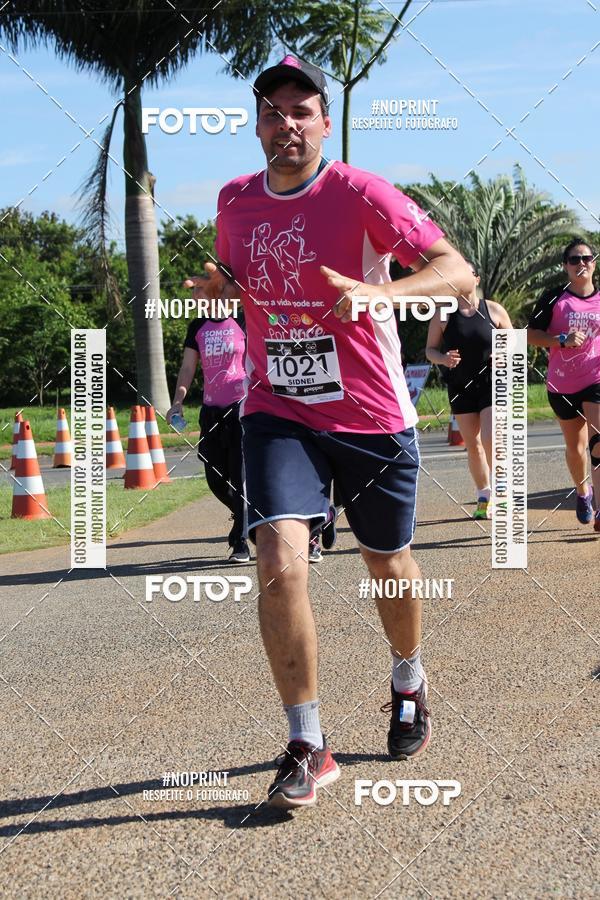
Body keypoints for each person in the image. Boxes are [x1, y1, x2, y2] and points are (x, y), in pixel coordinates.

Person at [187, 55, 474, 809]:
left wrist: (384, 293)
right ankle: (308, 743)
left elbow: (457, 273)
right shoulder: (234, 201)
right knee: (278, 559)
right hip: (277, 408)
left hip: (370, 413)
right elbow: (237, 280)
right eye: (272, 112)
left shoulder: (362, 193)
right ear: (257, 125)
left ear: (324, 123)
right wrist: (222, 290)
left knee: (388, 563)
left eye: (301, 111)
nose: (286, 124)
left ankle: (408, 678)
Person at [425, 261, 512, 519]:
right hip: (460, 386)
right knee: (473, 445)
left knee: (490, 438)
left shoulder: (494, 310)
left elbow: (514, 343)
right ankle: (484, 496)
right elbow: (430, 350)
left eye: (467, 274)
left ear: (476, 279)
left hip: (490, 384)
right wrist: (443, 359)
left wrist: (502, 354)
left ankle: (503, 491)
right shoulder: (443, 315)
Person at [167, 302, 250, 562]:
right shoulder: (198, 326)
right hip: (211, 411)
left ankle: (241, 542)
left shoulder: (243, 320)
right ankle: (246, 515)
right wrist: (177, 402)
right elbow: (187, 368)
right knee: (215, 480)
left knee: (239, 476)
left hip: (240, 409)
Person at [527, 237, 600, 531]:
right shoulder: (554, 298)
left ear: (594, 263)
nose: (581, 263)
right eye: (574, 259)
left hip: (596, 379)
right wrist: (560, 340)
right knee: (575, 447)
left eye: (586, 258)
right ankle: (583, 492)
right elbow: (530, 334)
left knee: (597, 442)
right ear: (565, 266)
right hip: (562, 385)